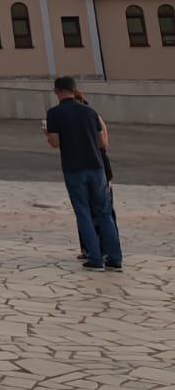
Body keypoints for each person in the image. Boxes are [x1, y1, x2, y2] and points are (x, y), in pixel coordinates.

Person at [45, 76, 123, 271]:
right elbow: (101, 143)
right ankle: (115, 257)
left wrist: (46, 133)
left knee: (83, 212)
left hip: (74, 167)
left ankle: (95, 258)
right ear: (74, 89)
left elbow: (55, 142)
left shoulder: (54, 113)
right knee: (104, 213)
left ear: (57, 91)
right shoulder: (90, 111)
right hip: (97, 167)